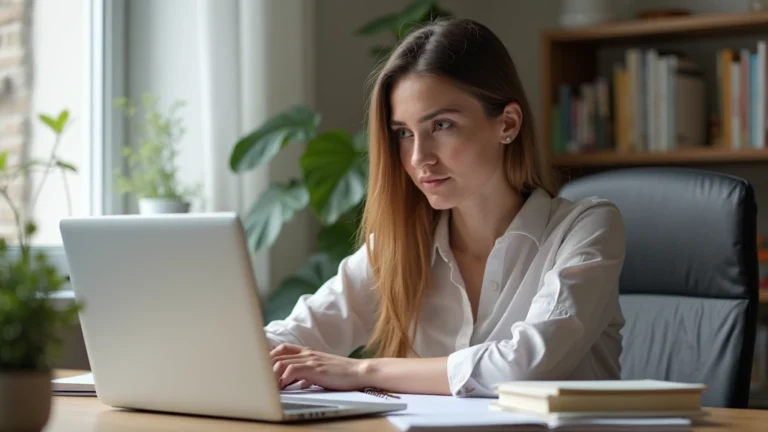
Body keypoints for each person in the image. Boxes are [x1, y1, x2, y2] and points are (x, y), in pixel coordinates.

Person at [264, 17, 625, 398]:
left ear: (508, 124)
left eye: (442, 126)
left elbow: (526, 366)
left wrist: (361, 370)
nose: (419, 157)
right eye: (403, 133)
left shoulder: (588, 227)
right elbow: (286, 339)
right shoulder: (400, 246)